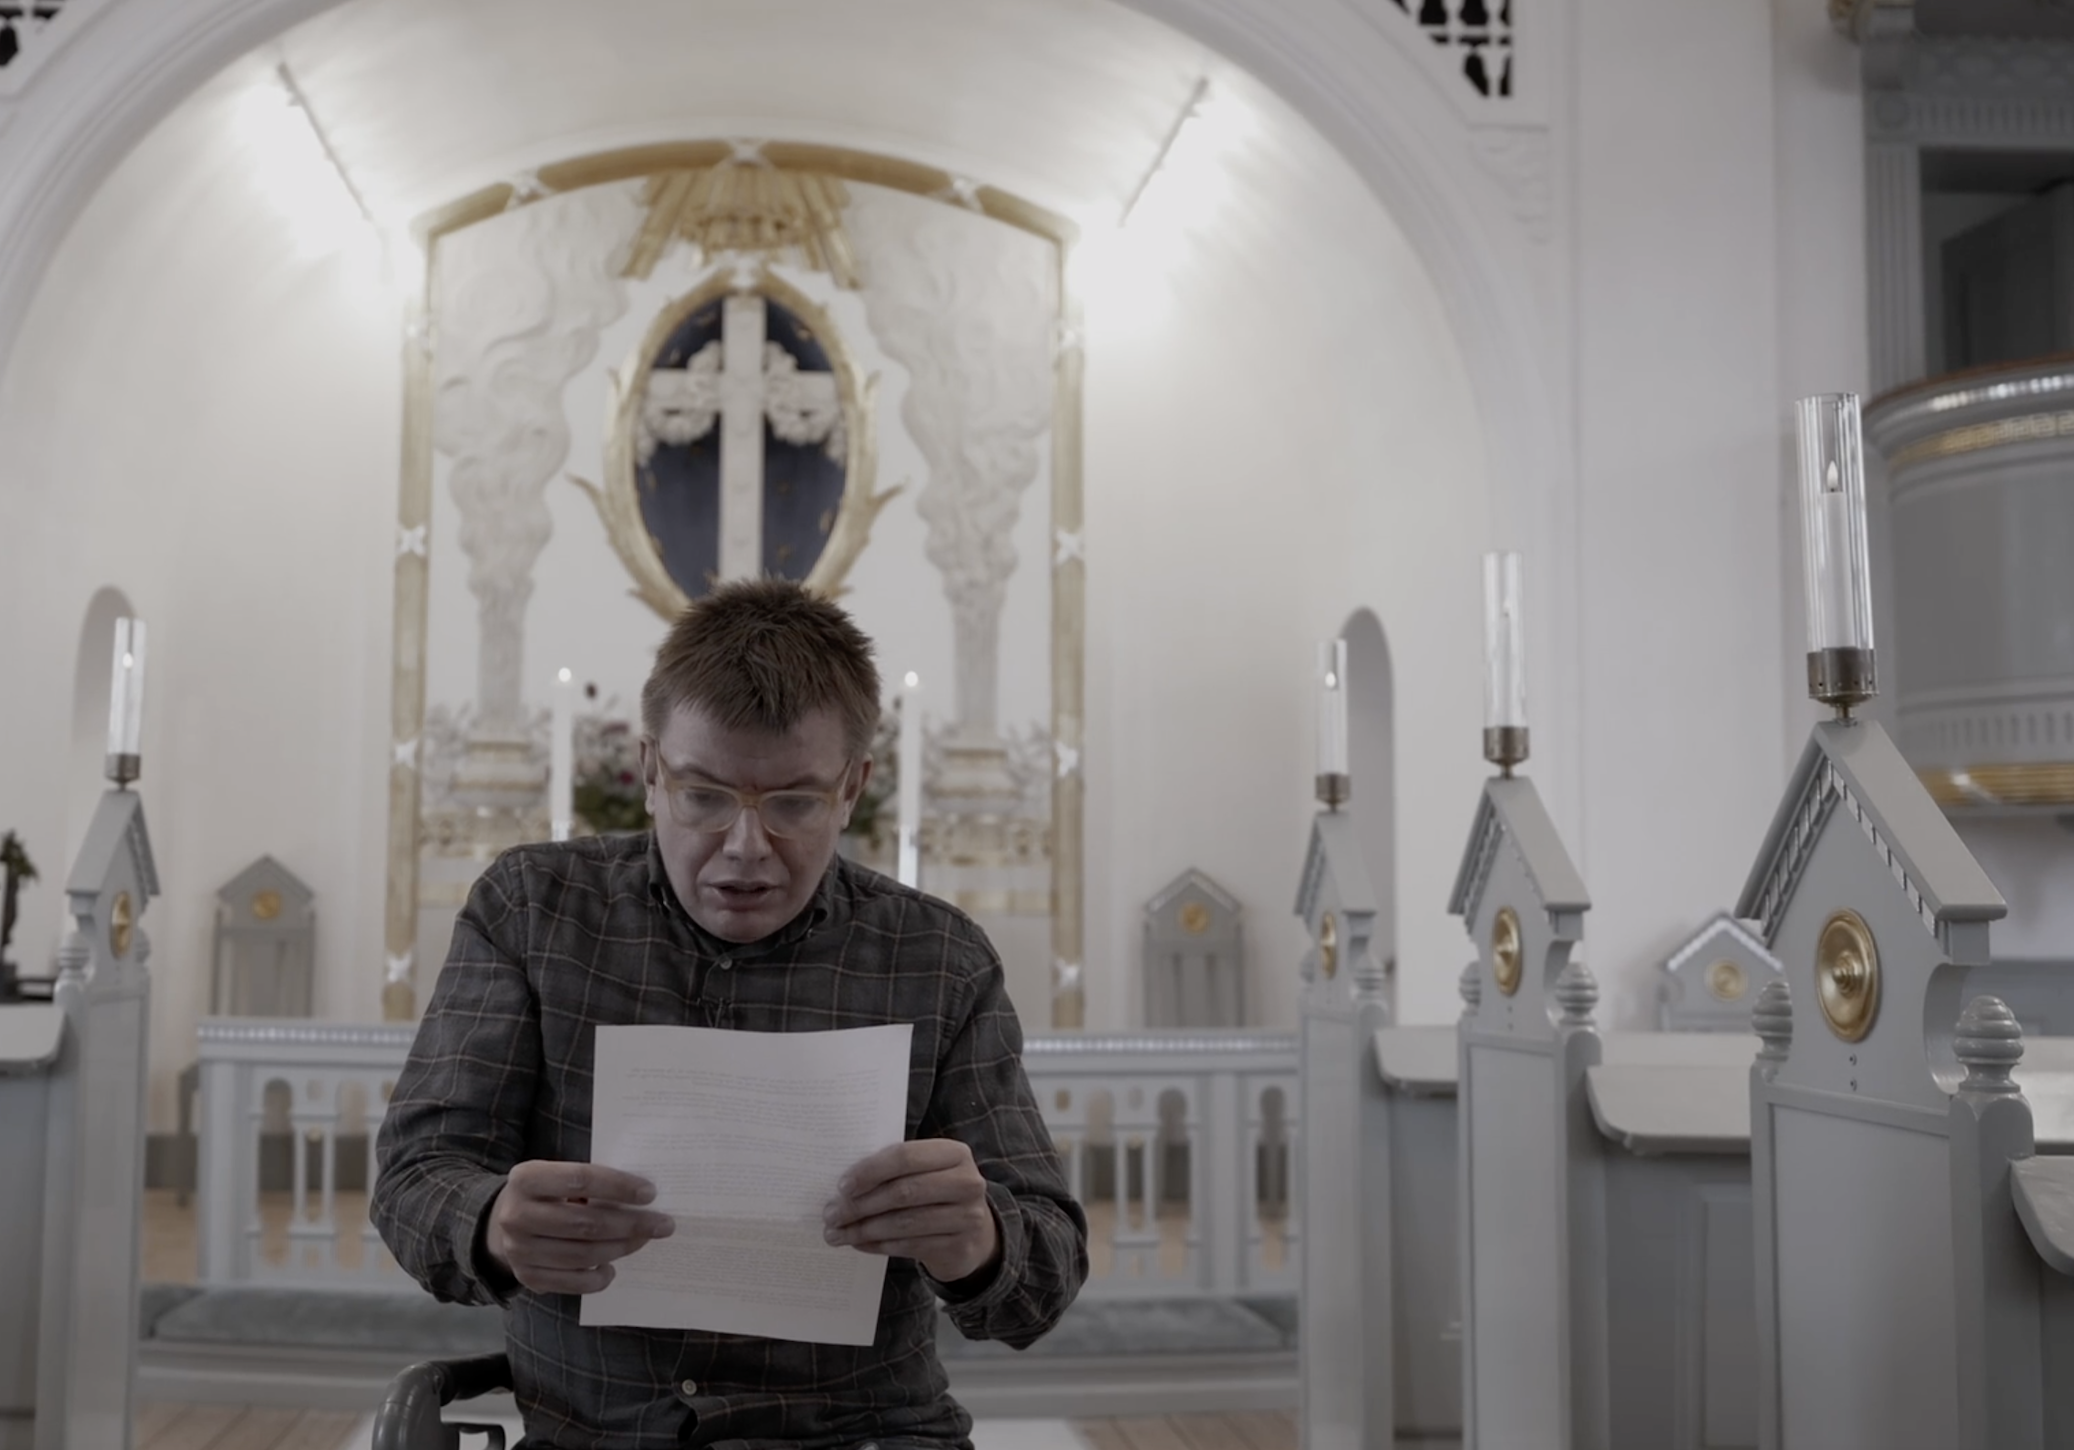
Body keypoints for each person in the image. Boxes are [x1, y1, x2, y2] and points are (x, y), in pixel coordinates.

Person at [372, 579, 1088, 1449]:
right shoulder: (533, 911)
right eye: (704, 796)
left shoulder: (938, 958)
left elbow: (1045, 1277)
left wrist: (979, 1240)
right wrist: (489, 1222)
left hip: (860, 1434)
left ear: (853, 789)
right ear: (650, 772)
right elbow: (414, 1177)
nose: (746, 849)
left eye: (794, 803)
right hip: (599, 1436)